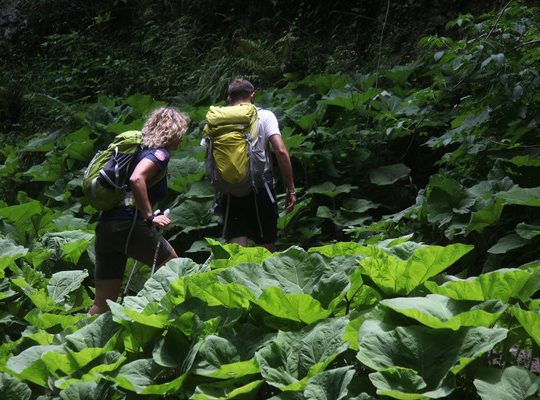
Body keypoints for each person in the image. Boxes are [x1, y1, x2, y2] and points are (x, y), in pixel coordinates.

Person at [89, 107, 190, 315]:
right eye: (182, 133)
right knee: (176, 269)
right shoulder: (159, 153)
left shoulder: (136, 152)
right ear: (175, 132)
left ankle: (74, 343)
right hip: (129, 225)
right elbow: (137, 179)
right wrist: (150, 216)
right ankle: (167, 319)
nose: (182, 139)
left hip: (107, 226)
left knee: (102, 304)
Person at [213, 78, 297, 252]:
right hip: (260, 188)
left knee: (237, 251)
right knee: (266, 246)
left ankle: (238, 279)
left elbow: (210, 155)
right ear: (252, 96)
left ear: (229, 98)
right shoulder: (265, 116)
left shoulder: (217, 120)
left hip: (229, 192)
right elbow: (280, 151)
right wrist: (291, 189)